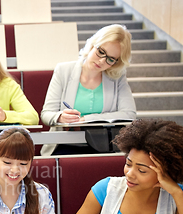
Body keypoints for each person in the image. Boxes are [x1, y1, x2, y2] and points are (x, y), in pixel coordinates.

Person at [63, 119, 183, 214]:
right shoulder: (106, 188)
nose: (130, 173)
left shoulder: (175, 194)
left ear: (164, 172)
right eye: (128, 164)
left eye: (141, 170)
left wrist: (177, 193)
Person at [40, 24, 136, 156]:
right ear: (92, 45)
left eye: (110, 59)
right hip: (65, 144)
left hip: (105, 145)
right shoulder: (64, 70)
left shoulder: (117, 78)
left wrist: (88, 119)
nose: (102, 61)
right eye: (101, 52)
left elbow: (129, 114)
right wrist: (60, 117)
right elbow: (46, 114)